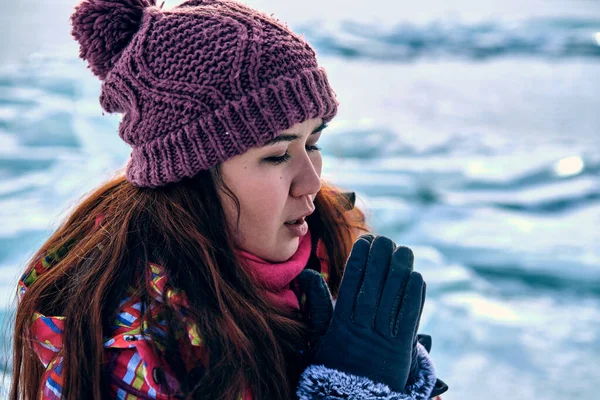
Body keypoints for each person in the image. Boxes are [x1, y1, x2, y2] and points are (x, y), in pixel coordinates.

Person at [10, 0, 447, 399]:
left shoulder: (330, 242)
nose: (312, 181)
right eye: (277, 154)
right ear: (190, 173)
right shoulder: (130, 342)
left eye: (313, 143)